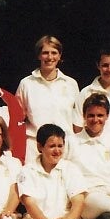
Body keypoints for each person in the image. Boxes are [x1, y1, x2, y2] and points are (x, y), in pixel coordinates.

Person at [16, 35, 81, 163]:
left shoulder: (71, 84)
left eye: (54, 53)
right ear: (39, 55)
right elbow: (18, 119)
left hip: (64, 148)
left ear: (60, 55)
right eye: (45, 53)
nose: (50, 57)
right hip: (35, 148)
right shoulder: (26, 84)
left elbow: (77, 120)